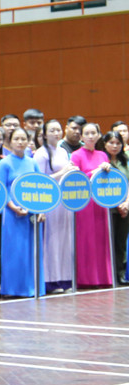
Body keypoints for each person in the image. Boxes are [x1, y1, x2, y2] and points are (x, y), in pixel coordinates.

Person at [0, 128, 45, 297]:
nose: (20, 142)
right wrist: (13, 207)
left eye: (23, 139)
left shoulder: (32, 163)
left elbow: (40, 186)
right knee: (15, 251)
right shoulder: (4, 163)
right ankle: (13, 288)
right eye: (16, 139)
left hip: (32, 213)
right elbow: (1, 188)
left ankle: (33, 287)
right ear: (10, 142)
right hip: (13, 214)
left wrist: (41, 210)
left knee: (32, 251)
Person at [34, 120, 76, 292]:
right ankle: (50, 281)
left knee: (65, 240)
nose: (56, 133)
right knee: (51, 241)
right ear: (44, 134)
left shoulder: (63, 151)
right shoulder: (41, 153)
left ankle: (65, 279)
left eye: (58, 130)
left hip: (64, 201)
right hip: (49, 201)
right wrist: (62, 172)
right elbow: (39, 180)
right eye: (52, 130)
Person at [70, 122, 113, 287]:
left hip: (101, 202)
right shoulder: (76, 155)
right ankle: (86, 279)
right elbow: (75, 180)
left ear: (98, 135)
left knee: (102, 240)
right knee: (86, 240)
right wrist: (93, 173)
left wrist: (107, 170)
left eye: (93, 133)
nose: (90, 136)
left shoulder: (103, 155)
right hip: (85, 203)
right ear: (81, 136)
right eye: (86, 133)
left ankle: (104, 277)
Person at [103, 130, 129, 282]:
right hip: (108, 210)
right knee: (108, 242)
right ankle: (109, 274)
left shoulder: (125, 162)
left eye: (118, 143)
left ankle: (121, 272)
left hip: (125, 208)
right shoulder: (102, 161)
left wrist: (126, 204)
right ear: (105, 144)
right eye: (111, 143)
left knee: (121, 242)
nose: (115, 146)